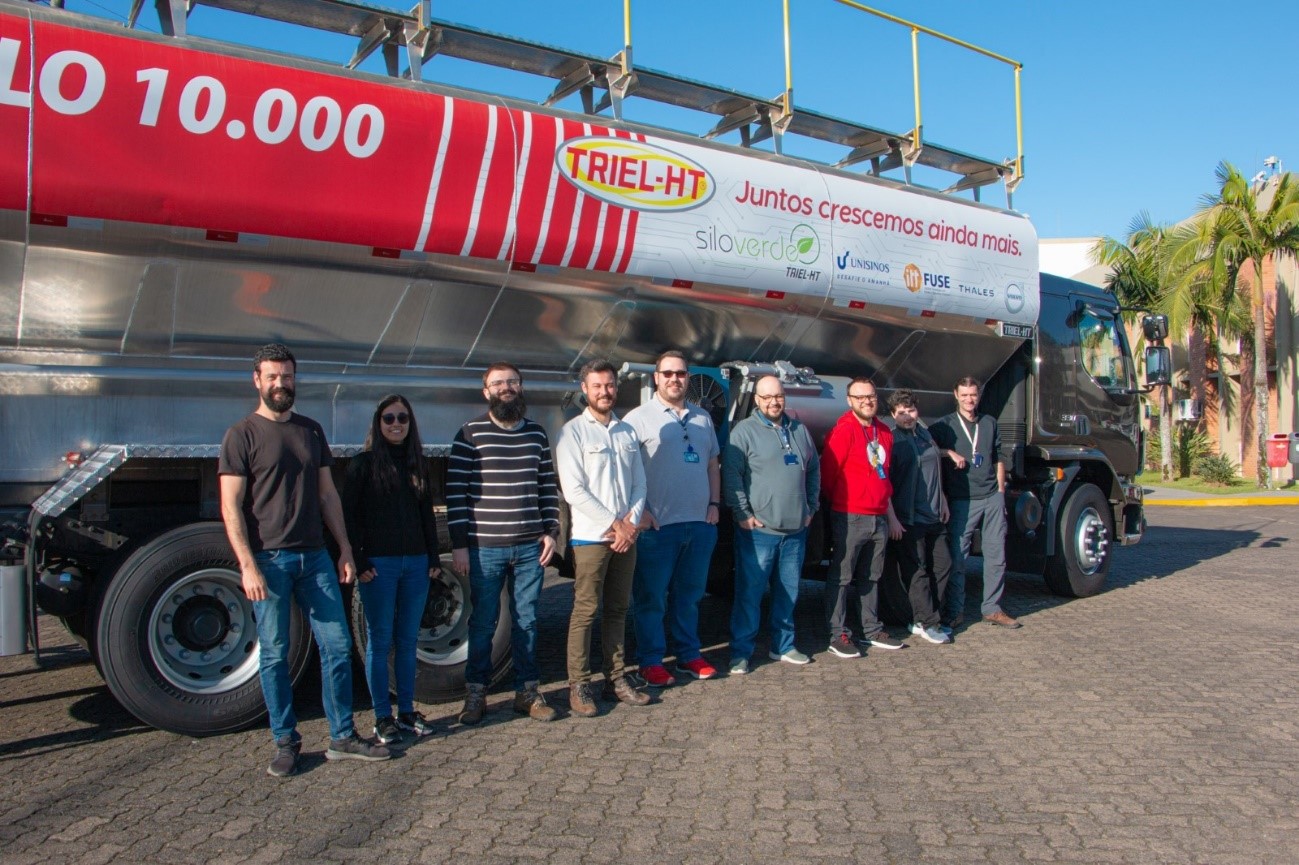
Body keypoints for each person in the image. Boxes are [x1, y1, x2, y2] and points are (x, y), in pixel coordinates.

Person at [218, 343, 389, 777]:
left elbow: (327, 494)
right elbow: (231, 507)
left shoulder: (311, 431)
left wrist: (345, 548)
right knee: (274, 654)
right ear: (257, 380)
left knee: (336, 646)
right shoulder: (242, 434)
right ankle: (285, 741)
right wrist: (248, 565)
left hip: (315, 558)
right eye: (272, 376)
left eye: (287, 376)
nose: (281, 384)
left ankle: (342, 737)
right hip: (270, 561)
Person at [448, 362, 562, 724]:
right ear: (486, 392)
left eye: (512, 381)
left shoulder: (537, 434)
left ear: (521, 387)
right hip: (486, 548)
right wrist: (460, 546)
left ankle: (527, 693)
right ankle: (476, 695)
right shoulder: (469, 434)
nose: (506, 388)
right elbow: (456, 495)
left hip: (531, 547)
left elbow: (547, 486)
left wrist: (552, 531)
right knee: (483, 622)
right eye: (498, 383)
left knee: (527, 620)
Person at [555, 360, 652, 715]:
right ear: (585, 390)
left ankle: (615, 679)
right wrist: (616, 523)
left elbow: (640, 483)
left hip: (626, 537)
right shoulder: (572, 433)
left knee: (617, 609)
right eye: (597, 386)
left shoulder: (626, 432)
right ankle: (579, 686)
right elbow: (573, 491)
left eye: (610, 385)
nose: (604, 392)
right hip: (591, 538)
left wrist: (631, 522)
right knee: (585, 611)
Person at [342, 395, 440, 745]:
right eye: (388, 418)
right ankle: (382, 717)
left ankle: (408, 712)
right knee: (379, 641)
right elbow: (348, 517)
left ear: (410, 423)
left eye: (402, 418)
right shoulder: (362, 465)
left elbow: (426, 514)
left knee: (408, 640)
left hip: (415, 565)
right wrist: (360, 559)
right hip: (379, 568)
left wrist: (432, 557)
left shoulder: (419, 465)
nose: (396, 423)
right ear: (377, 423)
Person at [624, 350, 721, 686]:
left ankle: (688, 655)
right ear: (656, 377)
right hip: (657, 527)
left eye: (680, 374)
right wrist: (642, 513)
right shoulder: (637, 419)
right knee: (650, 598)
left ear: (688, 377)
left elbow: (712, 464)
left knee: (689, 595)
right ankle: (650, 661)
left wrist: (714, 503)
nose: (674, 379)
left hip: (699, 524)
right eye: (667, 373)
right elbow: (627, 472)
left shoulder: (702, 418)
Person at [722, 375, 820, 674]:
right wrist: (742, 513)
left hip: (795, 531)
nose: (774, 402)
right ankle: (741, 652)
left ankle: (784, 645)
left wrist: (811, 506)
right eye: (767, 397)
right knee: (749, 596)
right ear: (757, 400)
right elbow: (732, 475)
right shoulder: (744, 431)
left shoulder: (799, 429)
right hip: (759, 533)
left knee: (788, 592)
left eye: (778, 396)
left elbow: (814, 468)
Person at [820, 377, 905, 658]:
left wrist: (887, 512)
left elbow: (885, 473)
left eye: (871, 396)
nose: (867, 401)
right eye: (860, 398)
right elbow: (829, 475)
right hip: (850, 516)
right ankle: (838, 633)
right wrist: (846, 502)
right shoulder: (844, 431)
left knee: (872, 576)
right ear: (849, 401)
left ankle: (871, 629)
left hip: (879, 516)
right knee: (842, 578)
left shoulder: (885, 432)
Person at [930, 377, 1022, 629]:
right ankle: (955, 611)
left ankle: (992, 609)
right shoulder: (944, 426)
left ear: (978, 395)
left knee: (996, 556)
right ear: (955, 395)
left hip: (991, 497)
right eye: (964, 395)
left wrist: (1001, 492)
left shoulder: (989, 423)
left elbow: (997, 458)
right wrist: (948, 452)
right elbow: (926, 449)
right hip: (962, 500)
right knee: (958, 558)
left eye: (973, 395)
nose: (969, 400)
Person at [885, 389, 952, 646]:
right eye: (901, 412)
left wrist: (943, 500)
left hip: (934, 515)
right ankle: (928, 622)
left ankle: (929, 615)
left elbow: (935, 470)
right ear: (893, 415)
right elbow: (886, 484)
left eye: (910, 410)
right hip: (909, 518)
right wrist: (892, 518)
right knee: (917, 571)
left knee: (944, 566)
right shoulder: (893, 442)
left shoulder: (925, 435)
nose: (907, 416)